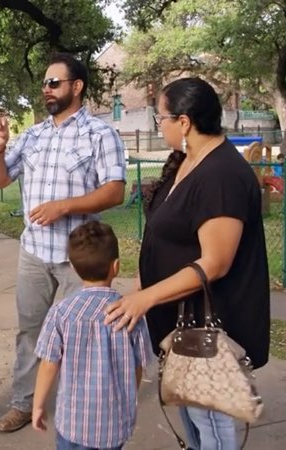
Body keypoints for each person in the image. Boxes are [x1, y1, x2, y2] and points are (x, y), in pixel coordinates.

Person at [102, 77, 271, 450]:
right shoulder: (187, 161)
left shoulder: (222, 174)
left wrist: (144, 300)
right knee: (192, 415)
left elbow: (215, 263)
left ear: (184, 122)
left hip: (207, 329)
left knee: (211, 419)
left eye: (160, 118)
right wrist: (143, 288)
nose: (156, 126)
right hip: (177, 323)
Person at [0, 52, 127, 432]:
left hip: (77, 257)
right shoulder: (33, 134)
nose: (46, 90)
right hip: (33, 252)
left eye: (54, 83)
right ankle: (23, 403)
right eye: (44, 84)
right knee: (30, 331)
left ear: (76, 87)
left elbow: (115, 191)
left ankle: (80, 409)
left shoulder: (101, 134)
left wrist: (65, 207)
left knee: (81, 335)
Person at [32, 220, 150, 450]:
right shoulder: (130, 314)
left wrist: (38, 405)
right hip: (115, 424)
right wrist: (129, 398)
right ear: (116, 266)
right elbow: (138, 365)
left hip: (73, 423)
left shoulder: (61, 313)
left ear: (74, 269)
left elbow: (49, 364)